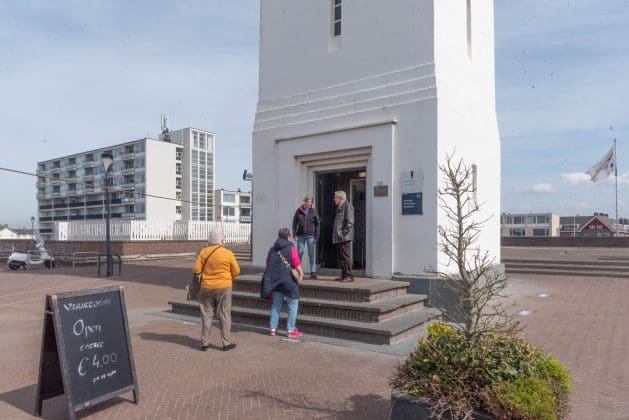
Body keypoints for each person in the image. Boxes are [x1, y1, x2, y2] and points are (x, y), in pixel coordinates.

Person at [193, 226, 240, 351]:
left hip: (206, 287)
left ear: (210, 239)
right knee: (224, 314)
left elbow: (196, 270)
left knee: (207, 315)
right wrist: (229, 279)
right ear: (221, 240)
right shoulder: (228, 253)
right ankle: (226, 343)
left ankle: (205, 343)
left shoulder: (203, 252)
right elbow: (236, 270)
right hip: (224, 287)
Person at [261, 228, 304, 338]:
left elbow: (268, 262)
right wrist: (301, 273)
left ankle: (273, 329)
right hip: (288, 280)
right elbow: (295, 261)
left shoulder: (272, 249)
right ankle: (290, 330)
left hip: (275, 281)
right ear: (288, 236)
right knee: (293, 303)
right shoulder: (291, 247)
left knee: (276, 304)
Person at [292, 194, 320, 279]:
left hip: (311, 236)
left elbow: (318, 225)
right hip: (300, 235)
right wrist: (294, 234)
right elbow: (294, 223)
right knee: (299, 253)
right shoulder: (299, 211)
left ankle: (313, 272)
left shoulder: (314, 211)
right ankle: (298, 271)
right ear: (305, 201)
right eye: (307, 202)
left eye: (310, 202)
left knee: (311, 254)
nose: (308, 204)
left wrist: (316, 236)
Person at [332, 190, 354, 282]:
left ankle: (349, 276)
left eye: (335, 197)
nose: (334, 199)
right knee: (342, 257)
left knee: (345, 256)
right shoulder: (340, 207)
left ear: (340, 198)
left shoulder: (347, 206)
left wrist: (343, 233)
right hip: (339, 237)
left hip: (344, 237)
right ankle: (344, 274)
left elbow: (350, 222)